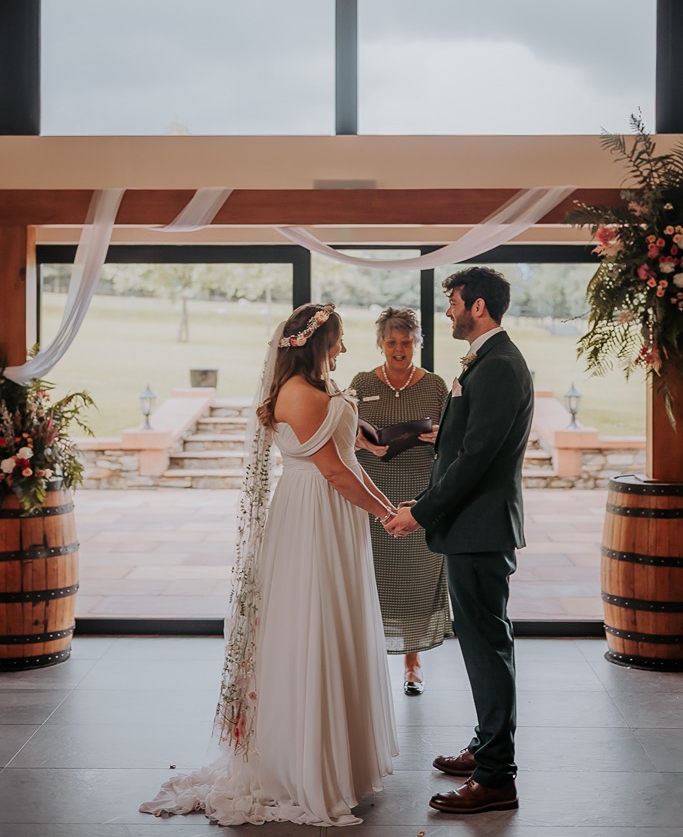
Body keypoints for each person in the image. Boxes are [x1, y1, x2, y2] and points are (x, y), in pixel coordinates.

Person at [140, 302, 399, 827]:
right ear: (316, 342)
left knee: (337, 623)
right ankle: (303, 768)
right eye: (339, 338)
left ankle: (338, 762)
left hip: (334, 512)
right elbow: (333, 473)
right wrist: (385, 513)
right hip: (312, 516)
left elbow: (349, 464)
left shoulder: (319, 390)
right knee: (312, 625)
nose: (345, 348)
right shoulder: (300, 394)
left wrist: (387, 509)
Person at [387, 267, 533, 815]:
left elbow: (476, 459)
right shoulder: (489, 360)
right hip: (472, 526)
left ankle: (496, 777)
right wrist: (421, 502)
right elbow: (456, 451)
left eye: (452, 303)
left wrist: (421, 513)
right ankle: (485, 747)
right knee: (484, 645)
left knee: (486, 649)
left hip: (479, 528)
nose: (447, 312)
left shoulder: (498, 367)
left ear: (477, 307)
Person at [350, 307, 450, 696]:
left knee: (414, 576)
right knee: (369, 576)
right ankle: (367, 662)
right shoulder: (360, 381)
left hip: (418, 493)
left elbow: (456, 442)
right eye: (391, 342)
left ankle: (413, 662)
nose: (398, 349)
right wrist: (358, 441)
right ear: (380, 344)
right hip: (370, 489)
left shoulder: (435, 386)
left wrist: (439, 435)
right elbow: (342, 429)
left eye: (406, 342)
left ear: (416, 343)